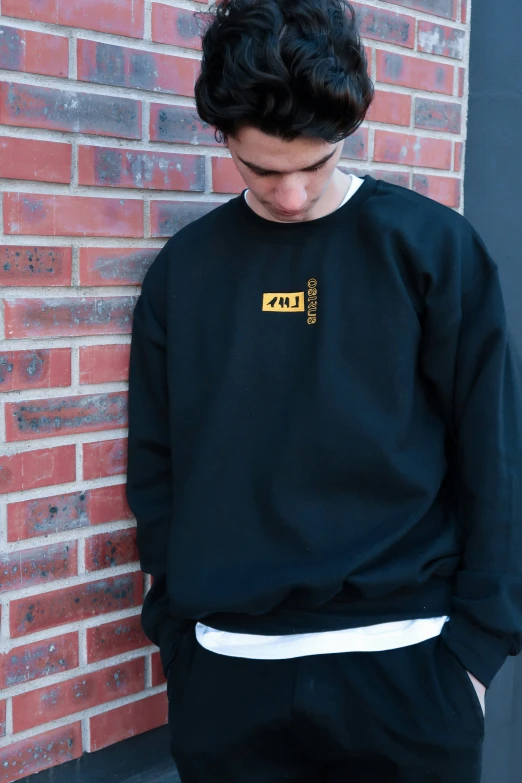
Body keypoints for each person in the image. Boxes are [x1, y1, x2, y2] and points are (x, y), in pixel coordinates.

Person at [125, 1, 522, 780]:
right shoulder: (185, 271)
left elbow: (494, 458)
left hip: (408, 668)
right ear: (223, 136)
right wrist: (178, 634)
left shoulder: (432, 250)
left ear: (350, 128)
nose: (293, 196)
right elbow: (156, 465)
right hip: (229, 676)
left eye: (316, 163)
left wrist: (475, 651)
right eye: (263, 169)